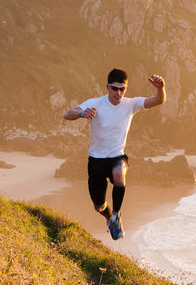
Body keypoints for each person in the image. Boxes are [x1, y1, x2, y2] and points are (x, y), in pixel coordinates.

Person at [63, 68, 166, 240]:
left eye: (122, 89)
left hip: (117, 156)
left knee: (119, 173)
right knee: (99, 206)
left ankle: (117, 216)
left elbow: (158, 101)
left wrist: (160, 88)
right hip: (96, 160)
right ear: (107, 87)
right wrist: (81, 113)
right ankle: (109, 217)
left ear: (126, 88)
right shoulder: (96, 102)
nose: (118, 93)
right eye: (114, 88)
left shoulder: (131, 104)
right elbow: (67, 114)